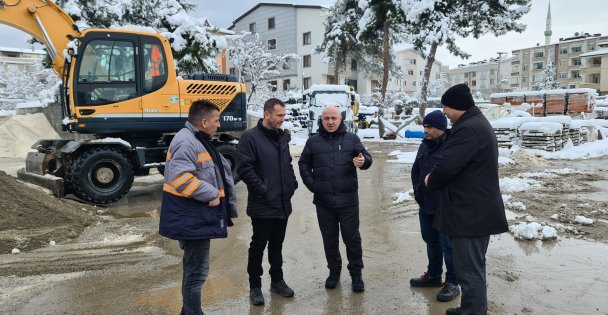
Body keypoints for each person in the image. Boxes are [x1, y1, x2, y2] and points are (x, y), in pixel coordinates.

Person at [424, 84, 508, 315]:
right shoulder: (474, 124)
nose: (443, 112)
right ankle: (471, 309)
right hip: (475, 211)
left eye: (446, 106)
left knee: (469, 271)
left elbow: (448, 166)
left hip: (471, 214)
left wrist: (431, 180)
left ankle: (473, 313)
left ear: (458, 106)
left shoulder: (468, 129)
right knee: (473, 268)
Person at [159, 100, 237, 315]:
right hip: (192, 218)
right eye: (216, 120)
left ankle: (189, 311)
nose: (218, 125)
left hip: (195, 217)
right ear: (204, 122)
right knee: (196, 273)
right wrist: (211, 193)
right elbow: (181, 179)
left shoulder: (197, 139)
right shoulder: (187, 142)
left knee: (193, 270)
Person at [298, 106, 372, 293]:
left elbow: (366, 157)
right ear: (321, 121)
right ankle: (334, 272)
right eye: (326, 118)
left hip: (348, 201)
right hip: (324, 203)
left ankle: (356, 275)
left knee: (352, 239)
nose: (330, 122)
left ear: (341, 120)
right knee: (329, 239)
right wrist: (313, 185)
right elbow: (303, 164)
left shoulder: (351, 139)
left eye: (334, 118)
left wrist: (364, 162)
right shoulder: (313, 141)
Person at [237, 98, 298, 306]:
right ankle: (255, 286)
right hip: (263, 203)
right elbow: (245, 169)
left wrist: (292, 185)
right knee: (258, 246)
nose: (283, 119)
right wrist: (263, 190)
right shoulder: (250, 138)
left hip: (282, 202)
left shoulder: (281, 138)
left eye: (283, 115)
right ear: (267, 115)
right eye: (279, 115)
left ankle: (277, 281)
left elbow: (287, 164)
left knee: (277, 245)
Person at [410, 110, 460, 302]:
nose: (425, 130)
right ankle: (433, 276)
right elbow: (416, 170)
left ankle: (453, 282)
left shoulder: (451, 147)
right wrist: (417, 191)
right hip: (426, 205)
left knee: (449, 246)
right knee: (431, 240)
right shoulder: (424, 146)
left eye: (429, 127)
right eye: (424, 126)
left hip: (445, 206)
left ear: (440, 128)